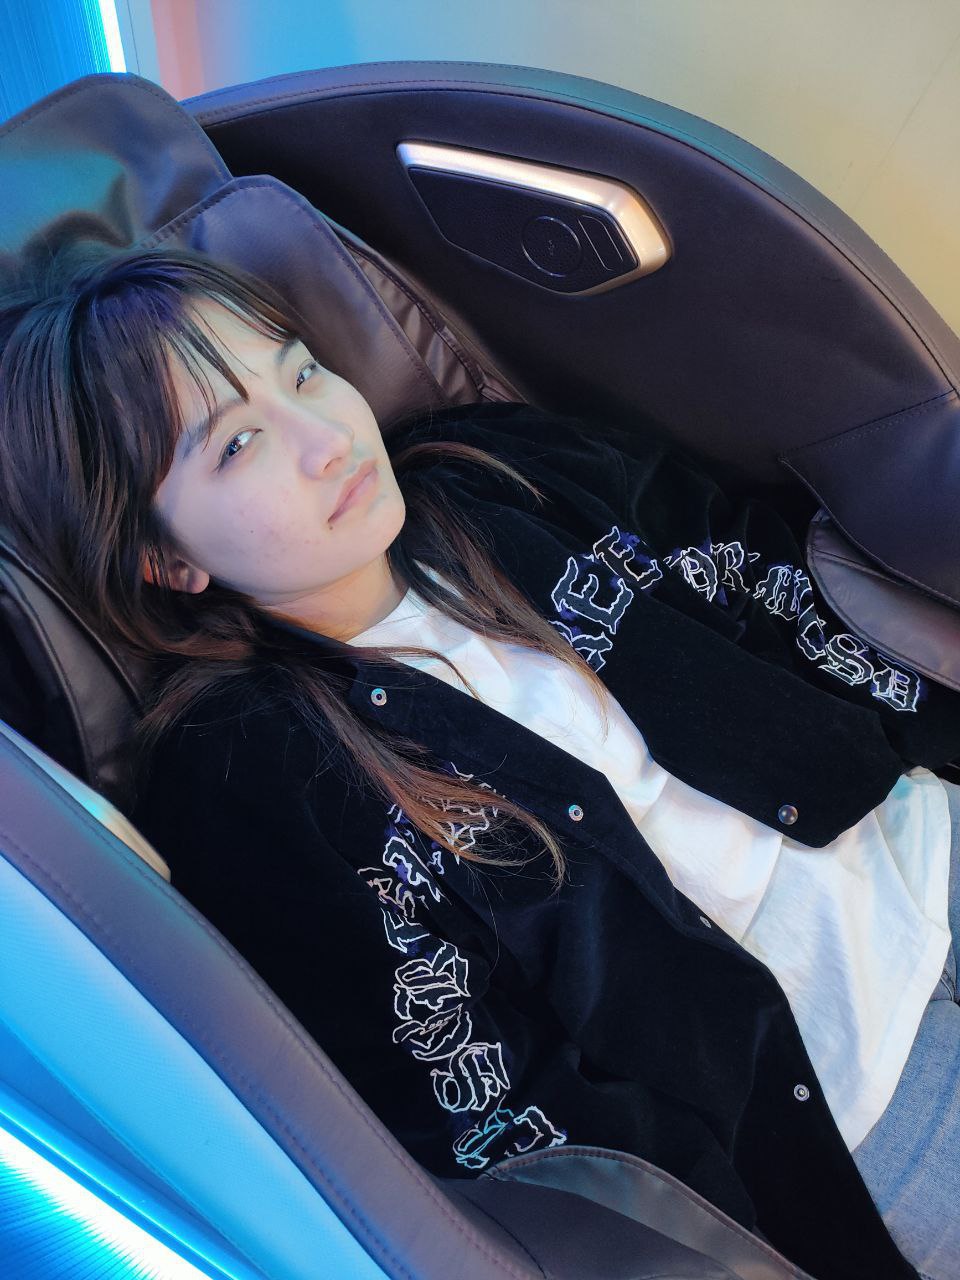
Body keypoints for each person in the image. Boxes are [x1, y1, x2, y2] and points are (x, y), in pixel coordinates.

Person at [1, 244, 958, 1280]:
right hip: (863, 1091)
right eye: (238, 443)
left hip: (924, 836)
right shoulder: (250, 778)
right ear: (163, 558)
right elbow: (481, 1099)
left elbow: (752, 568)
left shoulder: (493, 470)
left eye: (303, 372)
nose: (327, 436)